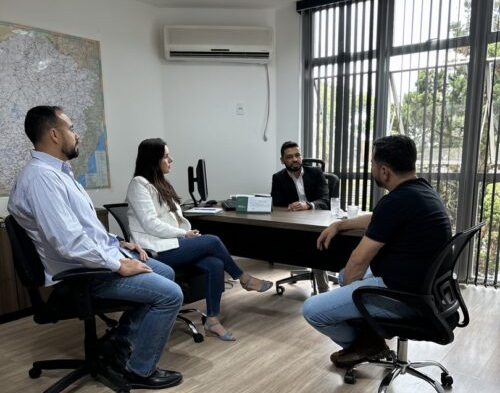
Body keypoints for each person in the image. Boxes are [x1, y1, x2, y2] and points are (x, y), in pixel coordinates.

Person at [8, 106, 184, 390]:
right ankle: (140, 371)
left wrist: (119, 243)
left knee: (165, 272)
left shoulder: (59, 173)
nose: (77, 135)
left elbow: (83, 230)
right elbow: (68, 242)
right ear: (54, 134)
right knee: (170, 295)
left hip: (94, 262)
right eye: (72, 128)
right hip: (82, 274)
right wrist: (118, 264)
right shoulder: (42, 178)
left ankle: (119, 343)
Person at [303, 135, 451, 368]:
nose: (370, 168)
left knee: (312, 309)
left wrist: (352, 292)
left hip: (404, 297)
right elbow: (378, 218)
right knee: (342, 276)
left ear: (384, 171)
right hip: (424, 289)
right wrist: (339, 225)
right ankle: (369, 335)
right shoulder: (421, 190)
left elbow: (358, 261)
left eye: (372, 163)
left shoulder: (396, 201)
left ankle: (366, 345)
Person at [125, 138, 273, 342]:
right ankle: (244, 278)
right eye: (166, 156)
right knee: (212, 241)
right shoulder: (139, 185)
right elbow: (151, 224)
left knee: (215, 263)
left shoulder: (161, 184)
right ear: (154, 159)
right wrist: (183, 235)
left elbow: (171, 219)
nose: (171, 159)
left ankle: (212, 321)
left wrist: (187, 233)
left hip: (171, 244)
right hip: (154, 252)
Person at [271, 140, 331, 293]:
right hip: (294, 222)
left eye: (297, 155)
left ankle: (323, 290)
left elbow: (325, 200)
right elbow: (277, 205)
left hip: (317, 221)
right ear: (282, 160)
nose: (295, 159)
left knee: (316, 244)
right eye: (290, 157)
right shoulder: (278, 178)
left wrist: (308, 205)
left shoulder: (316, 173)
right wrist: (290, 207)